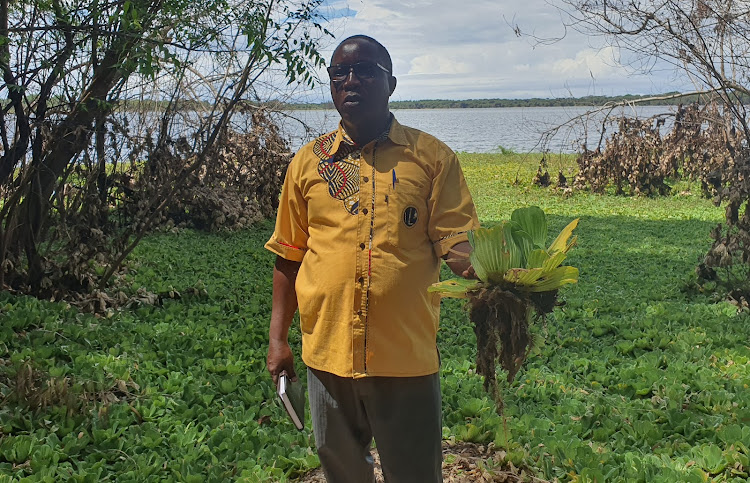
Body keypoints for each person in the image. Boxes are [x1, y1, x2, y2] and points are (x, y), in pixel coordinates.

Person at [265, 34, 479, 482]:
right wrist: (278, 340)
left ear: (392, 83)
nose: (350, 81)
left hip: (405, 358)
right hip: (327, 355)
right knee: (342, 473)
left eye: (364, 70)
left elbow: (457, 242)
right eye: (339, 73)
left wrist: (496, 272)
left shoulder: (432, 159)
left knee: (415, 474)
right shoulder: (308, 163)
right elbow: (289, 255)